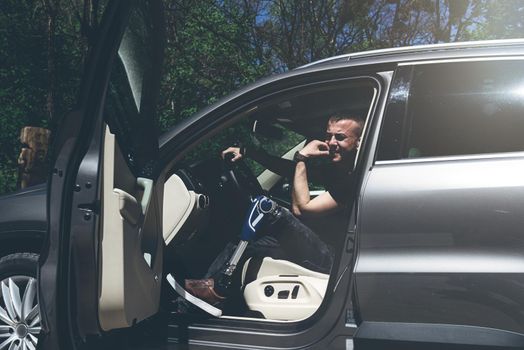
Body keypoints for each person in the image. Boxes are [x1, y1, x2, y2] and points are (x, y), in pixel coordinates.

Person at [185, 114, 364, 304]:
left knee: (269, 211)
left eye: (340, 137)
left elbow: (301, 209)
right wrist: (248, 152)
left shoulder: (354, 178)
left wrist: (302, 158)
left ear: (359, 142)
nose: (331, 142)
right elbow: (287, 168)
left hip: (333, 258)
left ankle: (217, 290)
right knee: (248, 237)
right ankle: (202, 293)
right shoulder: (339, 170)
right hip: (322, 245)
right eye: (328, 136)